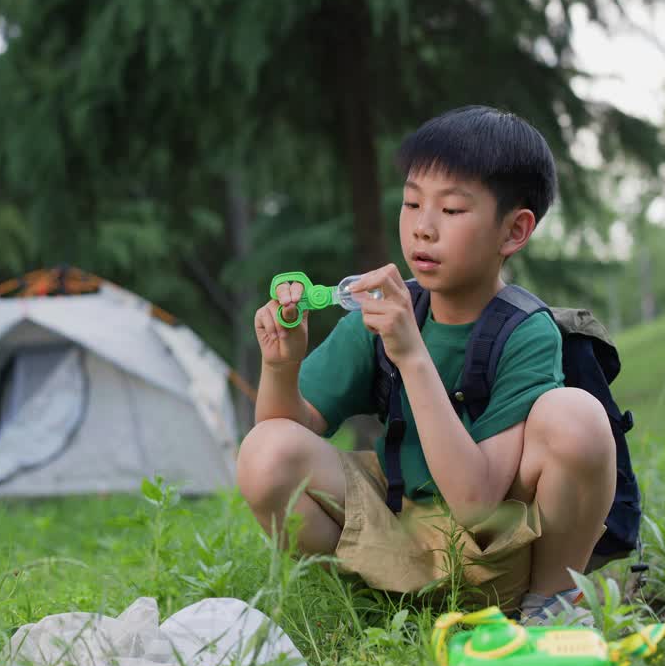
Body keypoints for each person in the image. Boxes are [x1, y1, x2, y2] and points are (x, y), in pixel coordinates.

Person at [237, 105, 617, 624]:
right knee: (266, 449)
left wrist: (411, 354)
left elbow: (477, 502)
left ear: (514, 231)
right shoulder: (378, 315)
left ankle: (550, 607)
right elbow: (287, 431)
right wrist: (282, 365)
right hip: (396, 532)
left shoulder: (525, 332)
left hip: (495, 551)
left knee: (578, 417)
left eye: (452, 210)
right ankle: (369, 603)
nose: (423, 229)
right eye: (412, 203)